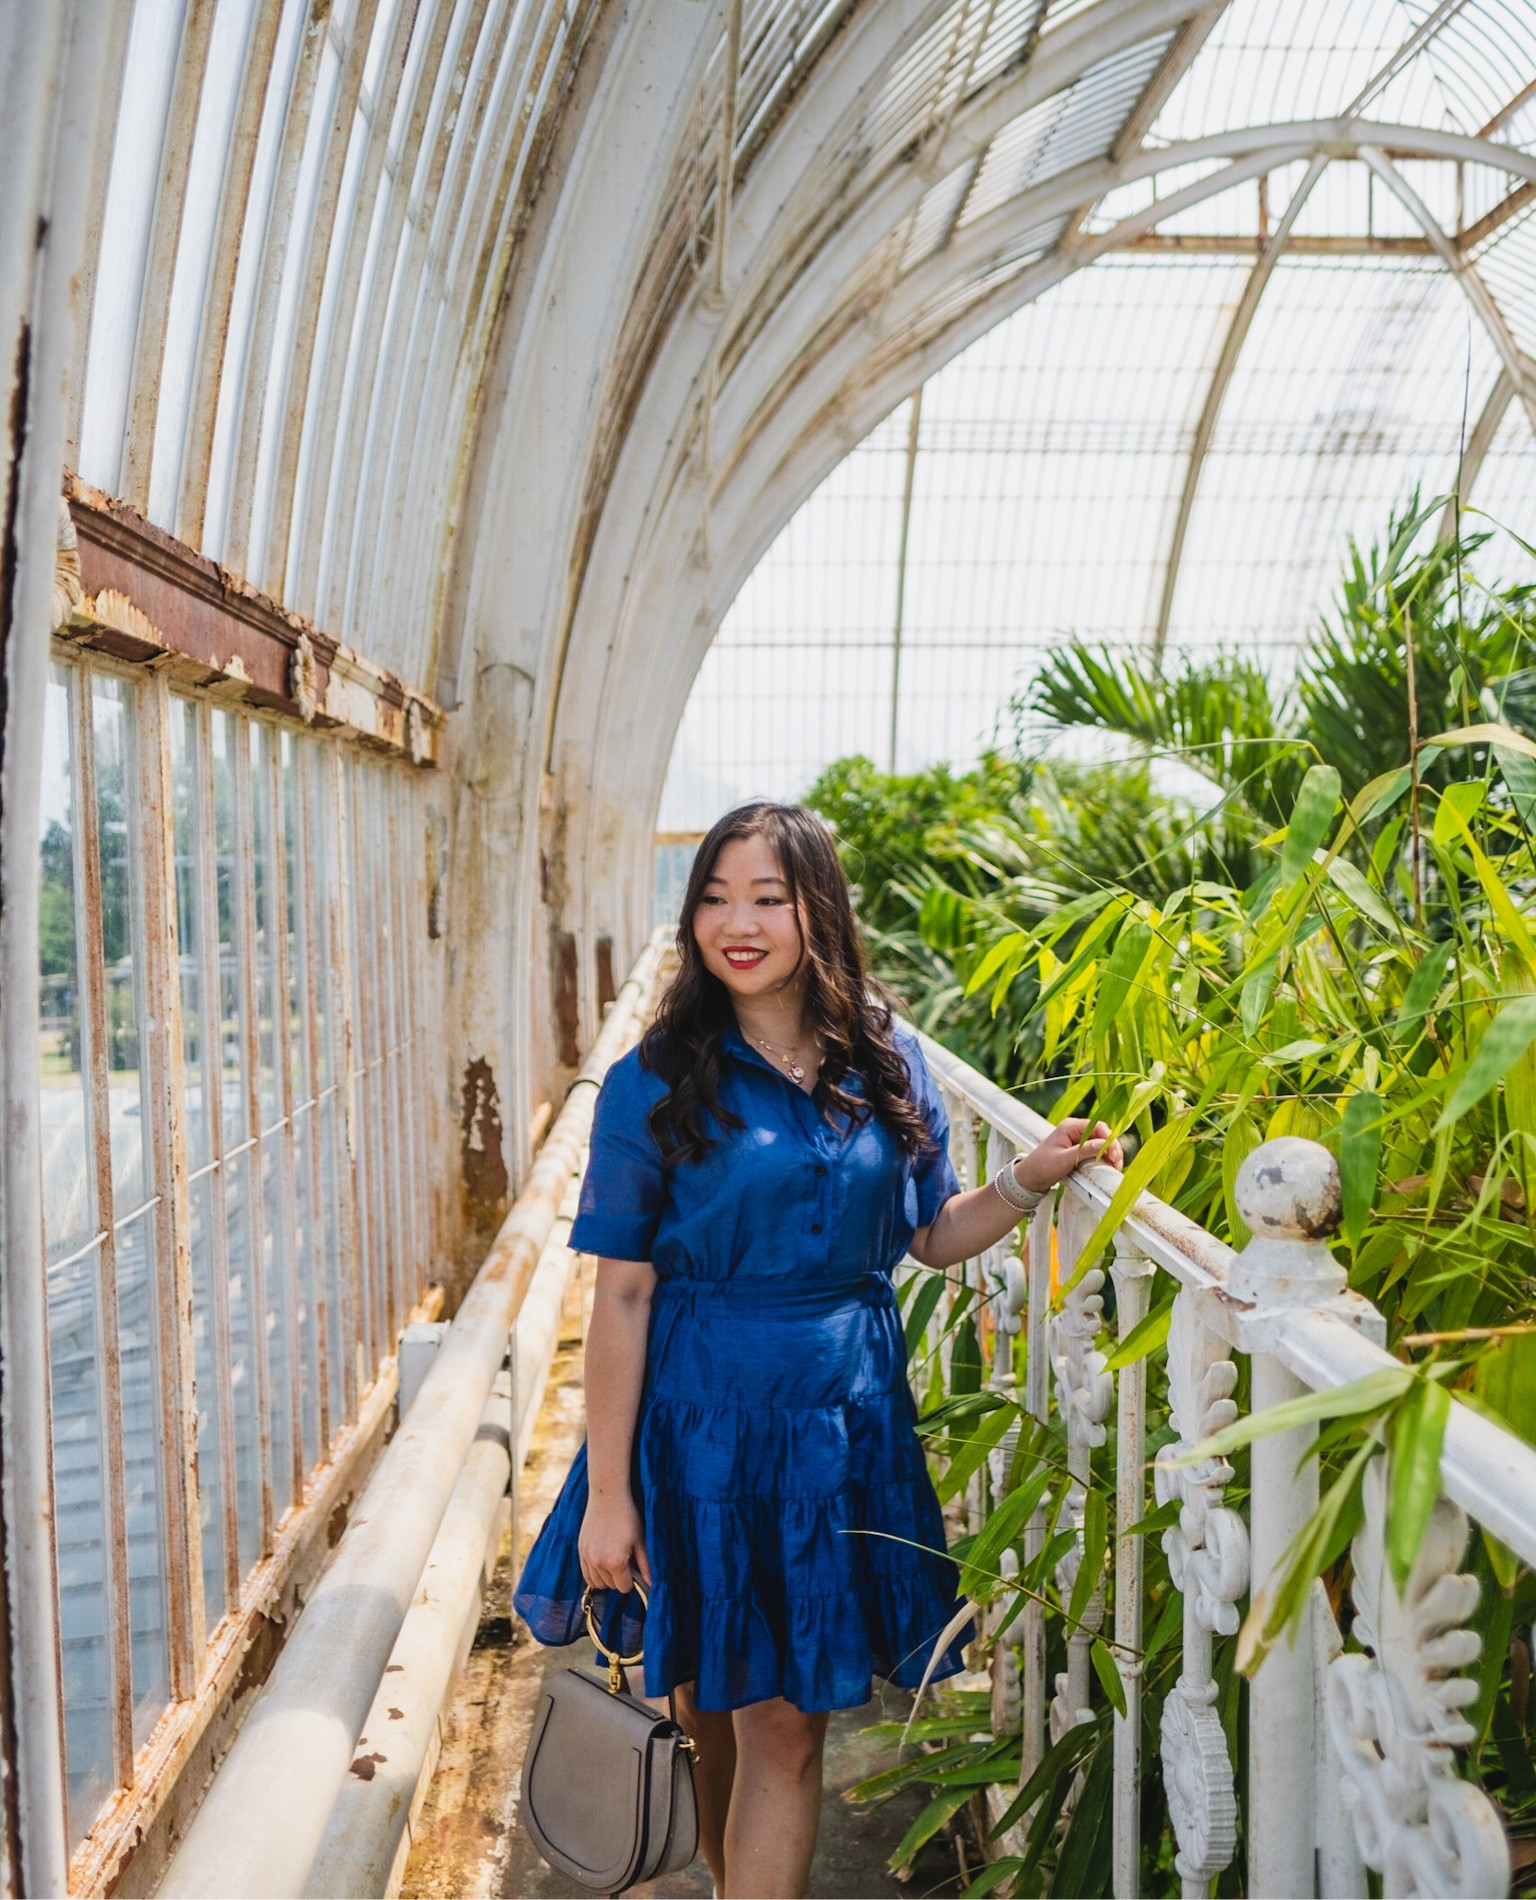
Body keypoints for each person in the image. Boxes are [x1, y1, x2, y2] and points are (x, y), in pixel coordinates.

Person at [514, 802, 1123, 1899]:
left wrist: (1028, 1179)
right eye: (713, 896)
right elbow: (623, 1294)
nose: (735, 923)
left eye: (766, 897)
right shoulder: (659, 1077)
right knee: (702, 1699)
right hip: (695, 1424)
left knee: (790, 1724)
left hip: (842, 1423)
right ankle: (719, 1873)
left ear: (817, 910)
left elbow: (932, 1236)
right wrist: (611, 1496)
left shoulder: (885, 1060)